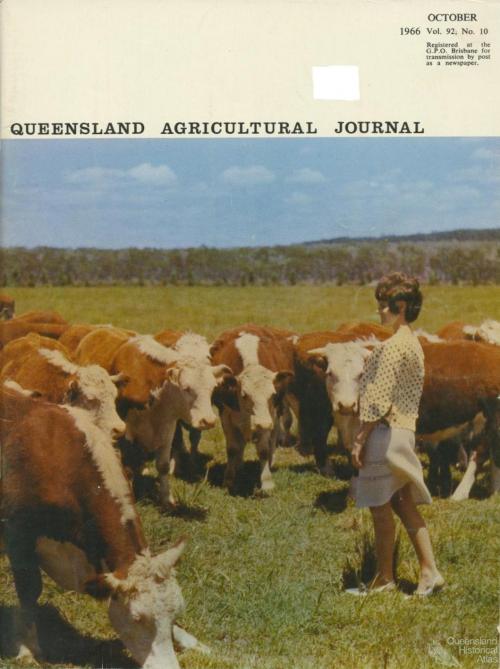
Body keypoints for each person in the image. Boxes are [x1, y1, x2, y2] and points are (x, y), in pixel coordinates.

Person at [348, 272, 444, 596]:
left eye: (383, 306)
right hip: (404, 432)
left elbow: (377, 399)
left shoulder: (390, 348)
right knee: (403, 503)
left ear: (399, 306)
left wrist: (360, 439)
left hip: (385, 434)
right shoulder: (413, 344)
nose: (379, 312)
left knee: (380, 507)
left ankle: (385, 578)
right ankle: (429, 572)